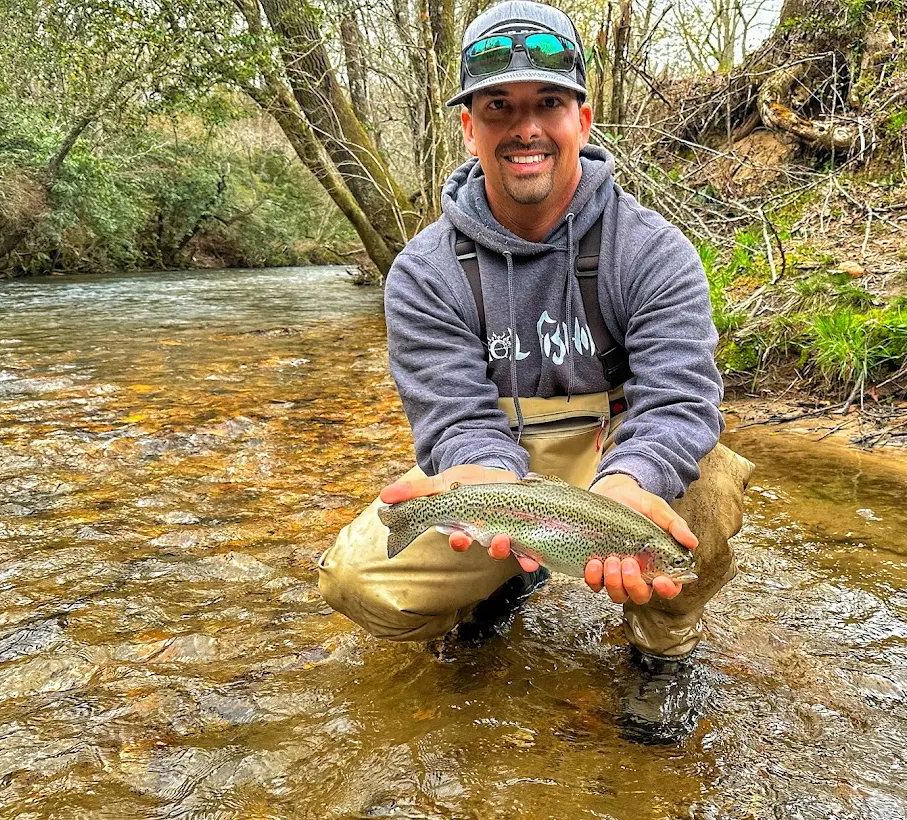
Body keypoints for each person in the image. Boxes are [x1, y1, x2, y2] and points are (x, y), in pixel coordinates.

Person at [318, 0, 754, 745]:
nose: (525, 127)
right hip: (504, 469)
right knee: (358, 580)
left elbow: (680, 404)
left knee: (700, 508)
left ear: (581, 120)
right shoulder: (423, 273)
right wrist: (476, 473)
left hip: (617, 458)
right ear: (469, 126)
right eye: (499, 107)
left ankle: (663, 649)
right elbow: (456, 421)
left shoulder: (653, 251)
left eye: (547, 103)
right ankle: (506, 574)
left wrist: (628, 485)